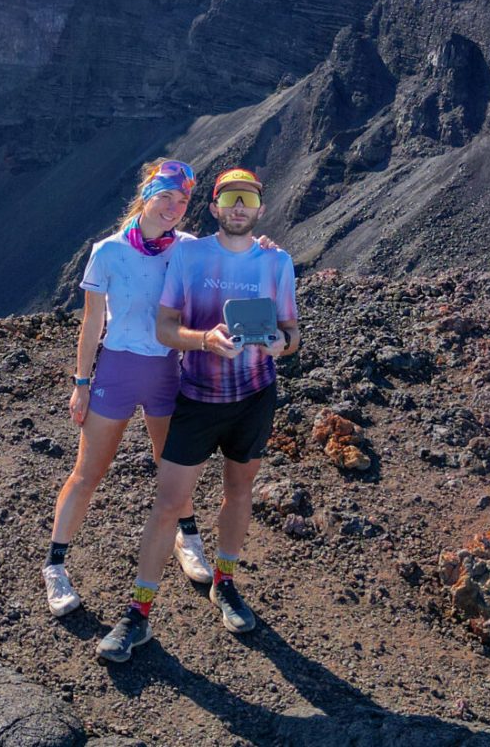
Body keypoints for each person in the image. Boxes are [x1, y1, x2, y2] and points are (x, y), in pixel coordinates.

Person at [96, 166, 300, 662]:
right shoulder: (189, 254)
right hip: (196, 399)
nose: (237, 207)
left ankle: (225, 582)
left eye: (247, 199)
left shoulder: (278, 262)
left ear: (260, 209)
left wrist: (280, 343)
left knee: (239, 491)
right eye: (229, 198)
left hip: (254, 396)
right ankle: (138, 614)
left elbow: (293, 333)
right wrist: (204, 340)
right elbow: (166, 328)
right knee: (168, 504)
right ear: (214, 207)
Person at [42, 159, 214, 617]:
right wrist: (81, 384)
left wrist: (264, 247)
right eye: (166, 198)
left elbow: (235, 259)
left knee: (171, 466)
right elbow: (92, 322)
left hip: (165, 372)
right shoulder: (109, 252)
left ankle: (189, 538)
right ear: (146, 196)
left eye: (182, 202)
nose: (174, 209)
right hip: (116, 371)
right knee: (88, 472)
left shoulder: (190, 249)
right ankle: (55, 566)